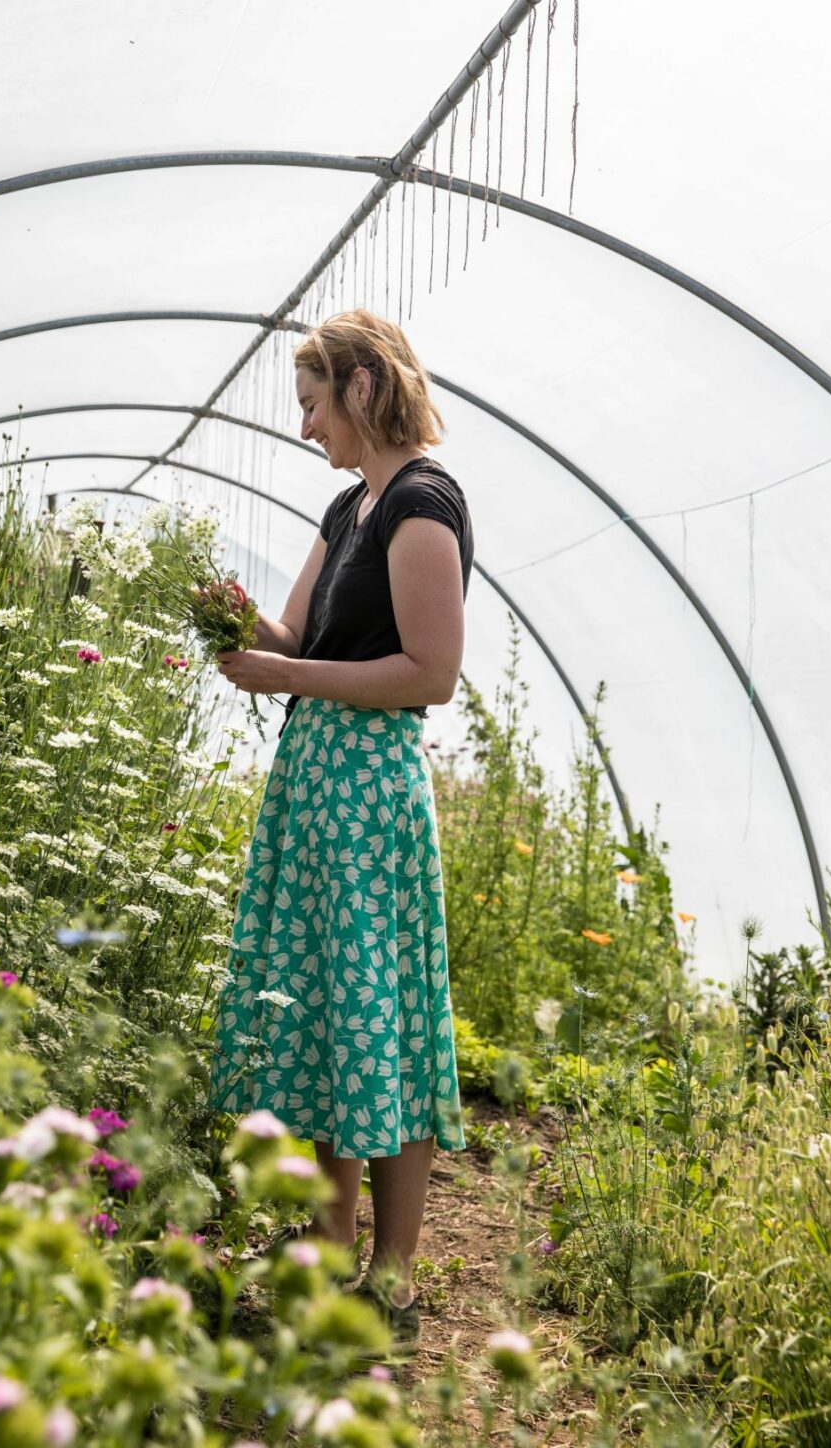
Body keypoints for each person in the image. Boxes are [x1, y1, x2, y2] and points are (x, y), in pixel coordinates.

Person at [206, 308, 474, 1338]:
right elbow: (294, 633)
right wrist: (231, 617)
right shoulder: (346, 510)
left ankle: (393, 1270)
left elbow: (429, 673)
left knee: (382, 1015)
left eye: (314, 403)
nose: (307, 427)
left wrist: (283, 673)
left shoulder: (421, 504)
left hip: (369, 792)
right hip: (316, 784)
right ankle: (324, 1246)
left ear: (362, 387)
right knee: (324, 1013)